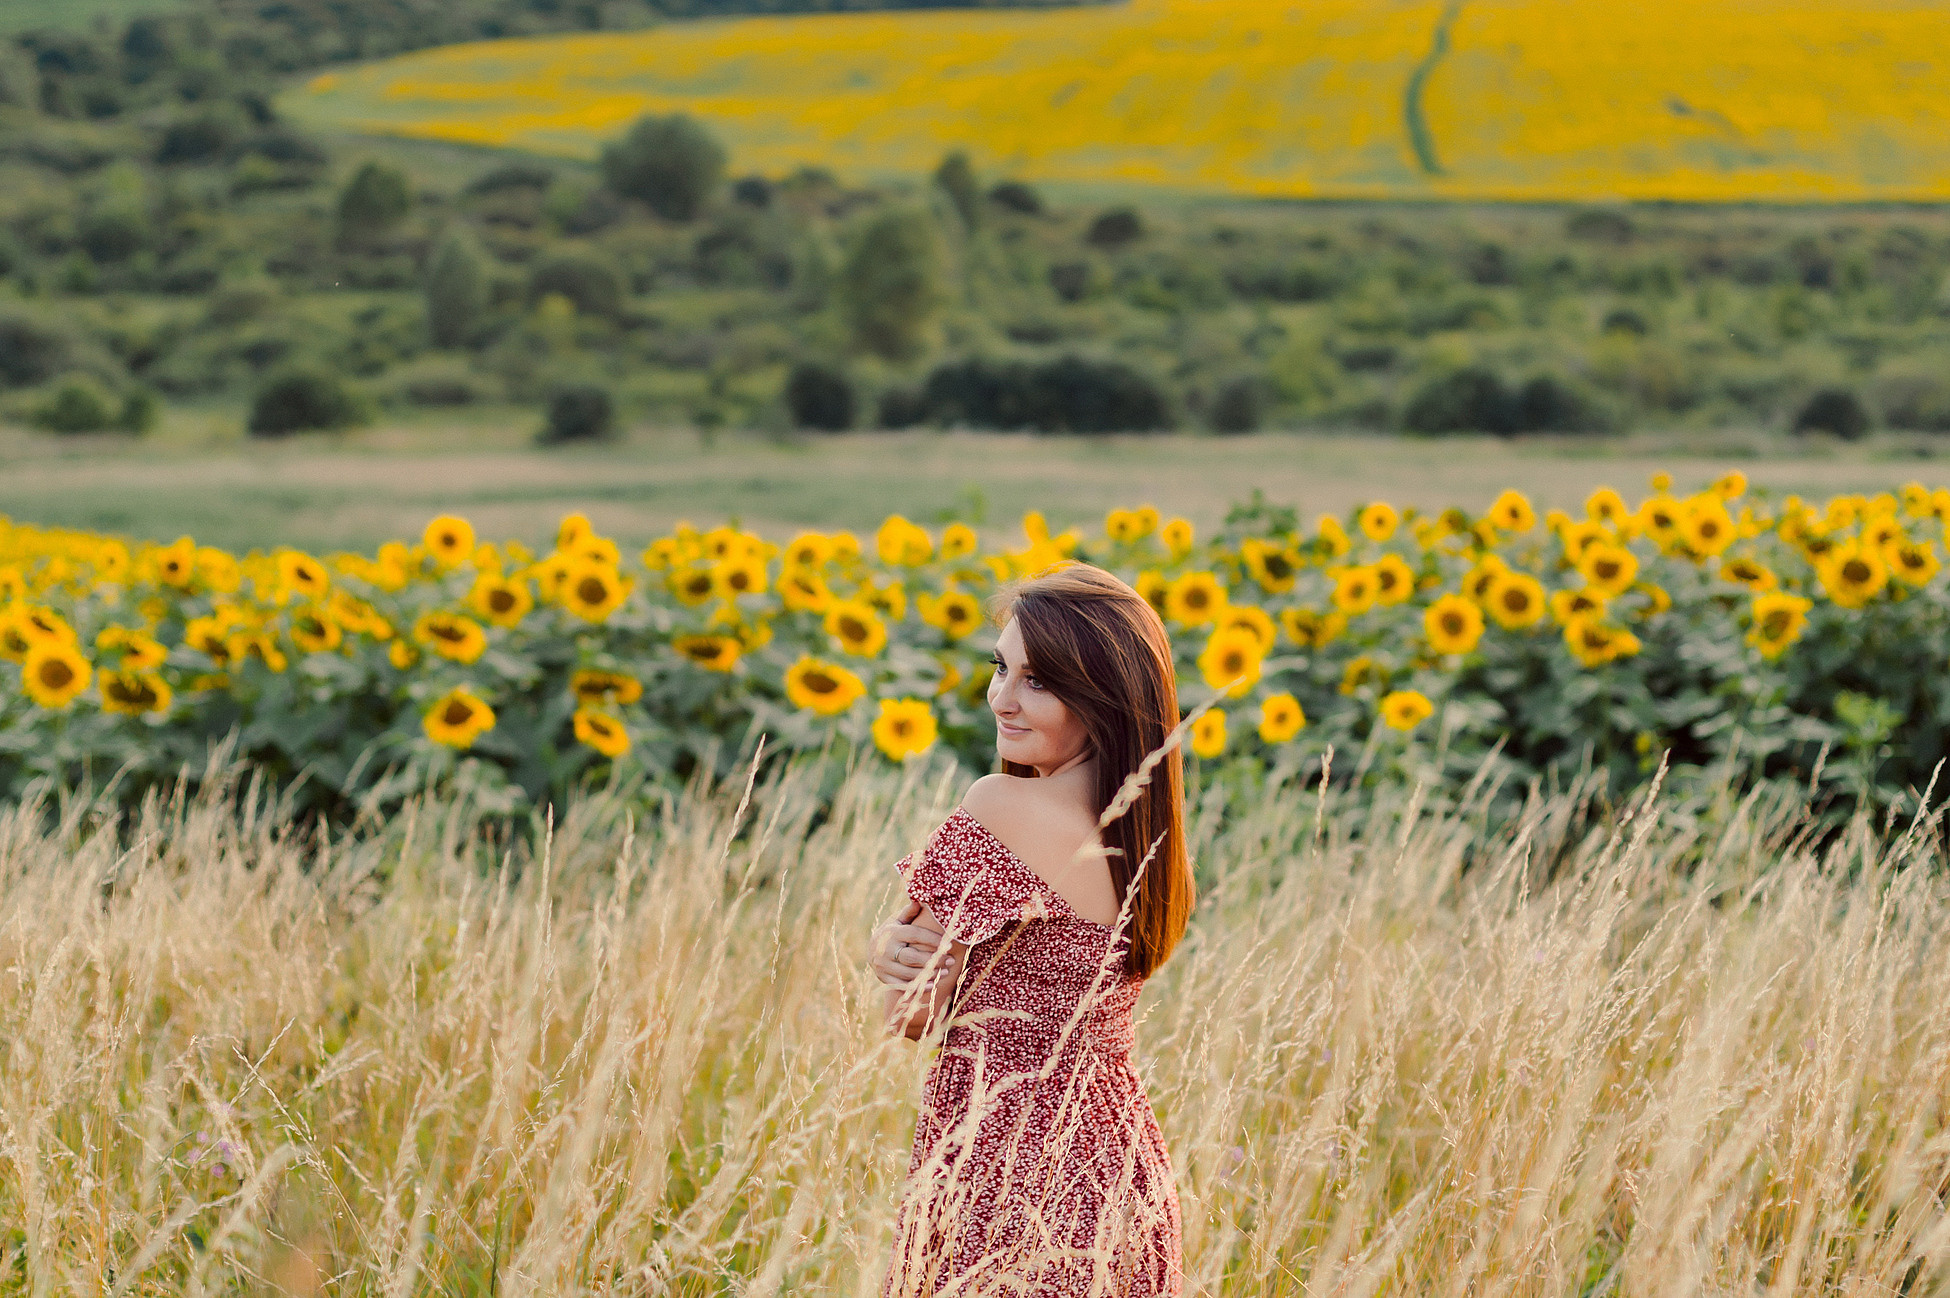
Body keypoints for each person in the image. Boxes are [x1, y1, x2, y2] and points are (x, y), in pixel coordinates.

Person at [867, 561, 1195, 1297]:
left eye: (1038, 681)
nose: (1002, 700)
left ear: (1101, 697)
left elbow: (907, 1012)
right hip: (1122, 1174)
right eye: (1000, 668)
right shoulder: (1153, 839)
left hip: (1007, 1169)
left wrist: (883, 950)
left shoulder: (1001, 807)